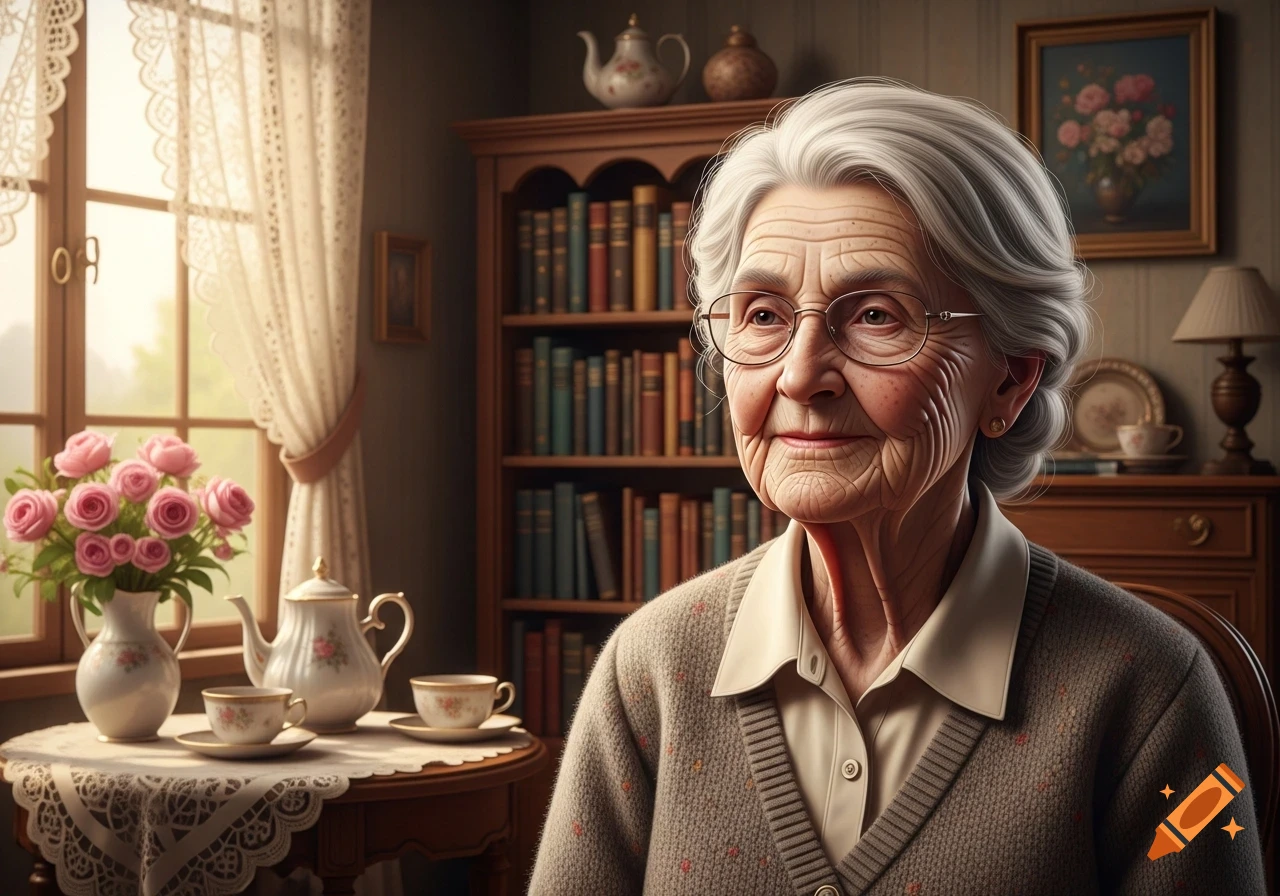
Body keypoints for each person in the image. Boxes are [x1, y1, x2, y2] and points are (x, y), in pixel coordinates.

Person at [527, 79, 1266, 895]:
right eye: (763, 315)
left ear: (1009, 380)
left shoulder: (1154, 692)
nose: (800, 376)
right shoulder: (648, 671)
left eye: (876, 315)